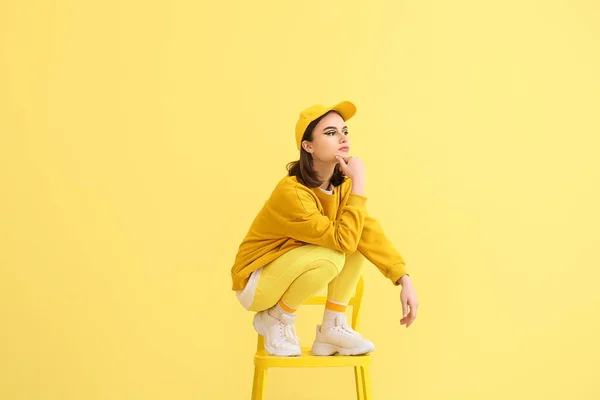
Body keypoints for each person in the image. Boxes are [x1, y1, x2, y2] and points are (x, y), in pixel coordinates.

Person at [230, 100, 419, 357]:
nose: (342, 137)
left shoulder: (341, 186)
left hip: (295, 268)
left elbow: (365, 230)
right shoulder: (293, 192)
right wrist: (360, 184)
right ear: (308, 146)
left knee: (352, 240)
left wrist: (403, 278)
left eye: (345, 130)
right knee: (335, 253)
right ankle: (275, 317)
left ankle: (333, 327)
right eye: (330, 132)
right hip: (257, 283)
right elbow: (341, 241)